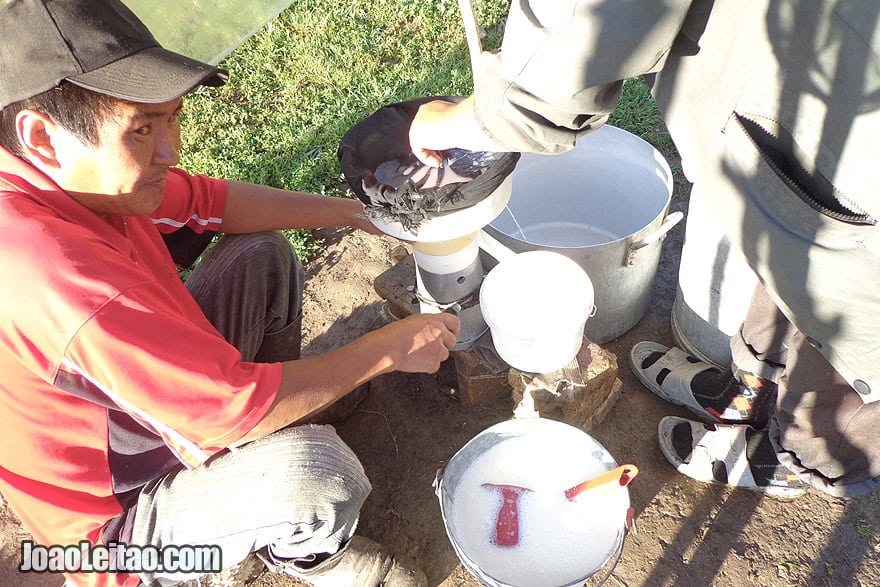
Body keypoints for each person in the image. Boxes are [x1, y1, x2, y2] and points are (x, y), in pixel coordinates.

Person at [0, 1, 459, 586]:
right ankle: (306, 555)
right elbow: (230, 412)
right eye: (142, 128)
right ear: (42, 137)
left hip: (152, 408)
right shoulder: (53, 279)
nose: (170, 149)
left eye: (172, 118)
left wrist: (361, 213)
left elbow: (212, 203)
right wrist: (390, 349)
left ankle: (299, 409)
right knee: (315, 471)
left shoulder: (65, 179)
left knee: (261, 254)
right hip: (118, 530)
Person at [409, 0, 880, 498]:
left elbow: (589, 25)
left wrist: (469, 119)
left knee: (855, 345)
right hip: (807, 127)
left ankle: (801, 461)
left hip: (860, 165)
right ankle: (751, 392)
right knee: (789, 268)